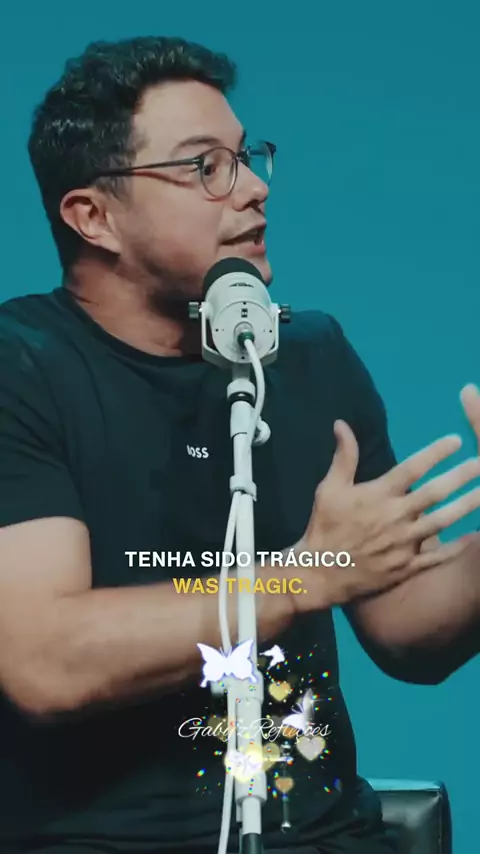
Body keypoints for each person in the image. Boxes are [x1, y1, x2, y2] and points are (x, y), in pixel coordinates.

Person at [0, 35, 479, 854]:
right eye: (205, 167)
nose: (254, 189)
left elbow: (409, 632)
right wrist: (304, 575)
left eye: (247, 158)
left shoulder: (310, 356)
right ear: (92, 216)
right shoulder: (23, 367)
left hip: (329, 838)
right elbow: (46, 660)